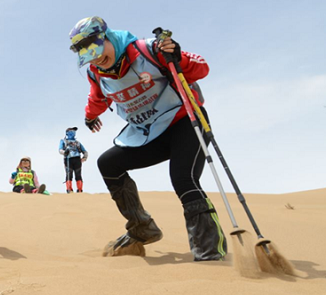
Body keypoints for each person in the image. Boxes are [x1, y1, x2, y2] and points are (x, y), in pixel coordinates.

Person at [68, 16, 227, 261]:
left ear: (108, 37)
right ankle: (143, 228)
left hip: (185, 122)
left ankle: (209, 253)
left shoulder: (149, 49)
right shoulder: (97, 73)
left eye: (98, 50)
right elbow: (97, 98)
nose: (97, 58)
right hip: (149, 134)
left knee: (183, 179)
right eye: (89, 56)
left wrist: (177, 56)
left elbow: (201, 67)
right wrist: (90, 117)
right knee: (108, 164)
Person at [59, 127, 88, 193]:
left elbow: (85, 151)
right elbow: (60, 150)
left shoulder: (77, 142)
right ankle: (69, 189)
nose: (73, 132)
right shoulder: (63, 141)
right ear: (67, 132)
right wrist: (64, 152)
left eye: (74, 131)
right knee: (69, 174)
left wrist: (84, 157)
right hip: (68, 159)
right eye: (71, 130)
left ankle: (80, 189)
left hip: (77, 159)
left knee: (78, 174)